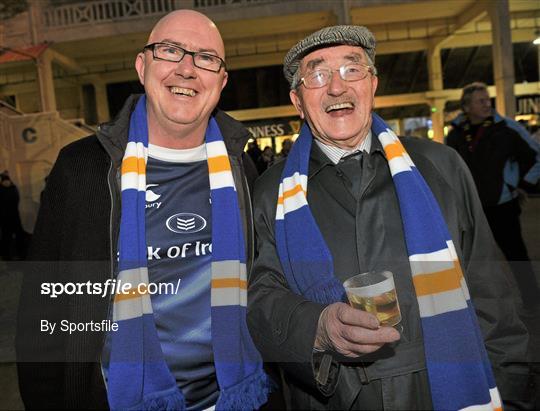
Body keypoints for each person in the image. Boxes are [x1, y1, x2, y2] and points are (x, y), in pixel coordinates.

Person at [247, 26, 532, 410]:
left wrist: (512, 395)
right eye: (317, 75)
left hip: (447, 388)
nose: (336, 88)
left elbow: (492, 296)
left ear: (373, 84)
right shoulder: (270, 194)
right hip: (336, 396)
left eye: (352, 70)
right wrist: (316, 328)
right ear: (298, 101)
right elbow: (259, 301)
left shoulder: (441, 167)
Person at [16, 10, 271, 410]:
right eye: (170, 51)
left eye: (206, 58)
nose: (187, 69)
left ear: (220, 81)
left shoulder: (242, 167)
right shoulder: (83, 168)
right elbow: (43, 305)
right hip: (116, 399)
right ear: (142, 65)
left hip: (230, 398)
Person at [446, 82, 540, 313]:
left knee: (515, 254)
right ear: (466, 107)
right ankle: (479, 309)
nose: (487, 104)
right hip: (470, 207)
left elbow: (535, 156)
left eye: (488, 99)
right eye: (480, 101)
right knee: (473, 259)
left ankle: (532, 302)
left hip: (502, 206)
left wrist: (522, 185)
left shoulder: (505, 129)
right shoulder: (456, 134)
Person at [0, 171, 25, 260]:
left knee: (8, 237)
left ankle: (9, 255)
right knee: (10, 236)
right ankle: (14, 254)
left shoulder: (7, 189)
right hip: (11, 216)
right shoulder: (12, 188)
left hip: (8, 217)